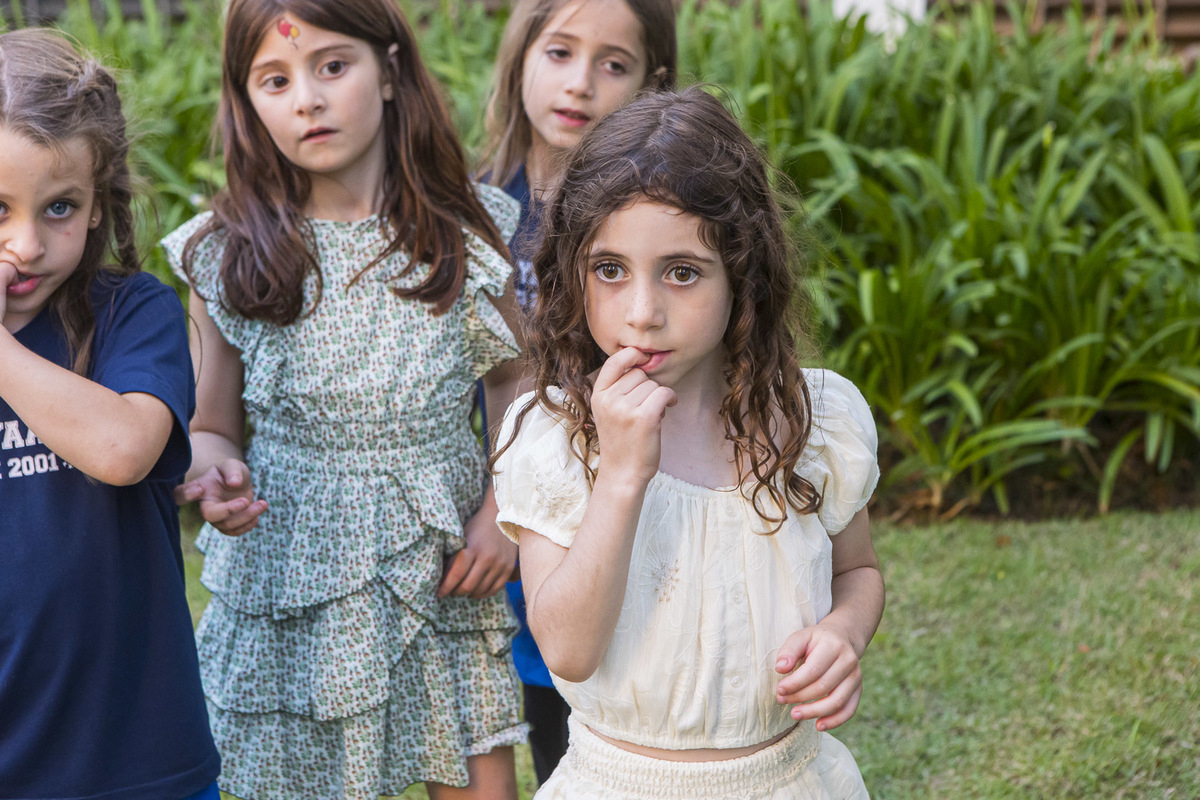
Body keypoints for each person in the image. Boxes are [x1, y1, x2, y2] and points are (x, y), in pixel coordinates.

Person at [161, 0, 527, 797]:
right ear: (246, 101)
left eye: (332, 66)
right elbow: (211, 424)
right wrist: (216, 473)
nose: (308, 100)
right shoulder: (227, 254)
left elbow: (514, 381)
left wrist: (504, 508)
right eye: (275, 80)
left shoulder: (466, 232)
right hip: (295, 565)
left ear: (389, 72)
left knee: (478, 778)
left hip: (441, 554)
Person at [492, 86, 885, 799]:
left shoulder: (812, 420)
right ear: (574, 272)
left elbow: (857, 572)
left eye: (682, 272)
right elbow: (568, 652)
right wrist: (620, 475)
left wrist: (844, 634)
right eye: (610, 269)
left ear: (743, 272)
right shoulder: (556, 438)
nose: (643, 313)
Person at [0, 29, 220, 800]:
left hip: (137, 761)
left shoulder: (133, 313)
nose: (26, 244)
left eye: (59, 208)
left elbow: (124, 450)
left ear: (99, 207)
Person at [478, 0, 675, 782]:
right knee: (553, 712)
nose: (580, 84)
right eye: (559, 53)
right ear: (521, 56)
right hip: (519, 506)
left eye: (613, 64)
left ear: (653, 82)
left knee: (642, 699)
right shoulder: (475, 210)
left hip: (633, 489)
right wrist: (495, 505)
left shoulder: (658, 216)